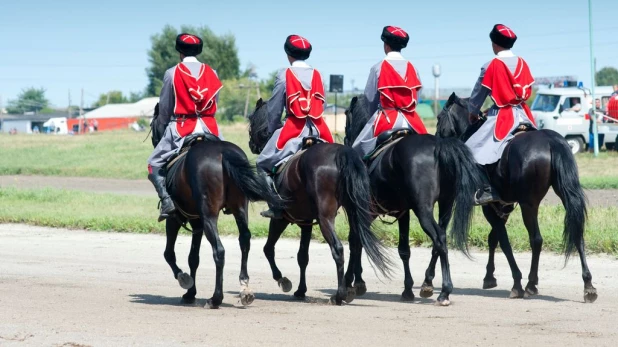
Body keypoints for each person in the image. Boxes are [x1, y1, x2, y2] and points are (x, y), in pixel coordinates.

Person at [146, 33, 223, 221]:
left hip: (182, 126)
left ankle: (166, 201)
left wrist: (163, 126)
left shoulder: (172, 73)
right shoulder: (211, 72)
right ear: (198, 51)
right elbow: (215, 101)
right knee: (226, 159)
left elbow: (164, 108)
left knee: (153, 163)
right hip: (209, 127)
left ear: (180, 51)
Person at [256, 34, 334, 218]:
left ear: (288, 54)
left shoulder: (284, 75)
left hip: (294, 128)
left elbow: (275, 108)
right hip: (319, 128)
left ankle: (275, 206)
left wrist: (273, 127)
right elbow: (321, 105)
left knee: (261, 164)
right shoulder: (318, 75)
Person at [465, 24, 536, 205]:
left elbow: (478, 94)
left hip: (502, 116)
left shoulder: (491, 65)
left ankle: (487, 189)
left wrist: (473, 112)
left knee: (470, 149)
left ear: (494, 44)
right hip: (523, 113)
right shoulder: (522, 63)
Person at [352, 26, 427, 158]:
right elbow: (417, 95)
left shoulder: (377, 67)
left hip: (386, 119)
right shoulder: (413, 68)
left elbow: (370, 99)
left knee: (357, 149)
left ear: (386, 46)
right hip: (411, 120)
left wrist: (373, 116)